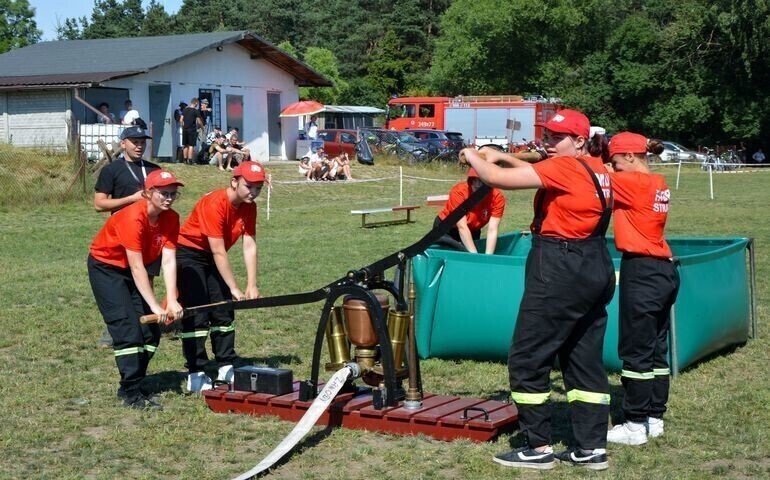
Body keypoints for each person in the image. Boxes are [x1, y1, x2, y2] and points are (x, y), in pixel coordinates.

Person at [462, 109, 615, 470]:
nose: (547, 142)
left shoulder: (564, 167)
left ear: (578, 141)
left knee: (529, 355)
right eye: (545, 135)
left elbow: (496, 178)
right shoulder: (596, 167)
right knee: (583, 358)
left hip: (559, 265)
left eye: (555, 138)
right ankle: (591, 447)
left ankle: (537, 447)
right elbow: (539, 169)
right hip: (594, 262)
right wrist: (503, 154)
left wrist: (473, 154)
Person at [603, 132, 680, 446]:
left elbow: (592, 176)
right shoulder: (657, 181)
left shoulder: (632, 183)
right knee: (656, 349)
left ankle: (634, 424)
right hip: (664, 269)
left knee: (636, 350)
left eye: (617, 162)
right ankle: (654, 416)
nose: (614, 168)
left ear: (631, 157)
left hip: (642, 270)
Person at [87, 169, 185, 409]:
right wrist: (153, 305)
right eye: (163, 194)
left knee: (151, 332)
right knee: (128, 329)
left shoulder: (171, 218)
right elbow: (137, 266)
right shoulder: (133, 217)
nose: (169, 199)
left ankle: (136, 381)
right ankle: (130, 393)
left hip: (131, 270)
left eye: (173, 194)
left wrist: (171, 299)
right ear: (148, 193)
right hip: (107, 268)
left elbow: (170, 260)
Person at [176, 161, 265, 392]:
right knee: (197, 314)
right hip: (189, 253)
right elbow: (217, 250)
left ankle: (226, 365)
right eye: (249, 187)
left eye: (258, 188)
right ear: (234, 182)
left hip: (215, 255)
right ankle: (196, 371)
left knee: (223, 309)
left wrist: (252, 284)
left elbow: (249, 245)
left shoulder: (249, 206)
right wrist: (235, 288)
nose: (253, 193)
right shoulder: (215, 203)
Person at [435, 168, 505, 253]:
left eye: (481, 180)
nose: (477, 184)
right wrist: (474, 256)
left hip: (473, 230)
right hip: (448, 229)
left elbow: (492, 229)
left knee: (471, 256)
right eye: (474, 180)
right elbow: (462, 227)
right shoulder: (459, 192)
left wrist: (488, 257)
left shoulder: (497, 197)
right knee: (457, 255)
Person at [182, 98, 204, 165]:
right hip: (192, 130)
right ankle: (190, 160)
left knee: (185, 145)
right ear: (196, 103)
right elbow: (199, 121)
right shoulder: (195, 111)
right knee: (191, 145)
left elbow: (181, 119)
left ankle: (185, 160)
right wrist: (202, 127)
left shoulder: (185, 110)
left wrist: (182, 126)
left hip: (185, 129)